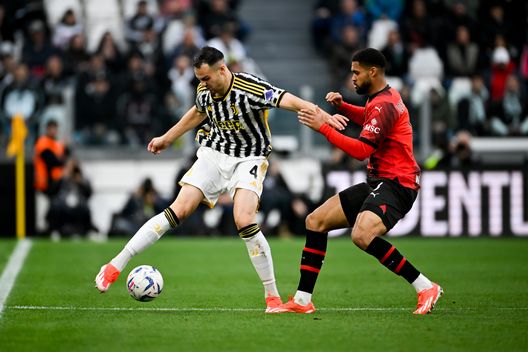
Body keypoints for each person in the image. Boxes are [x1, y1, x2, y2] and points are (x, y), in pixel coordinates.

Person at [94, 46, 339, 312]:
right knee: (179, 209)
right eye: (200, 80)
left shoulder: (250, 88)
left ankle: (272, 297)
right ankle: (115, 265)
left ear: (222, 70)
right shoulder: (204, 90)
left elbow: (290, 100)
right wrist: (167, 137)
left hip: (249, 158)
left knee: (244, 220)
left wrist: (323, 115)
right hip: (214, 153)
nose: (204, 85)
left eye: (207, 78)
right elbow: (197, 112)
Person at [272, 48, 442, 315]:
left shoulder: (384, 104)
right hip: (379, 182)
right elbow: (369, 118)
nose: (352, 78)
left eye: (356, 72)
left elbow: (362, 150)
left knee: (362, 235)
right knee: (315, 221)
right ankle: (302, 301)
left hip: (398, 184)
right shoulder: (385, 97)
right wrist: (342, 108)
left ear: (372, 72)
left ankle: (425, 286)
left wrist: (323, 127)